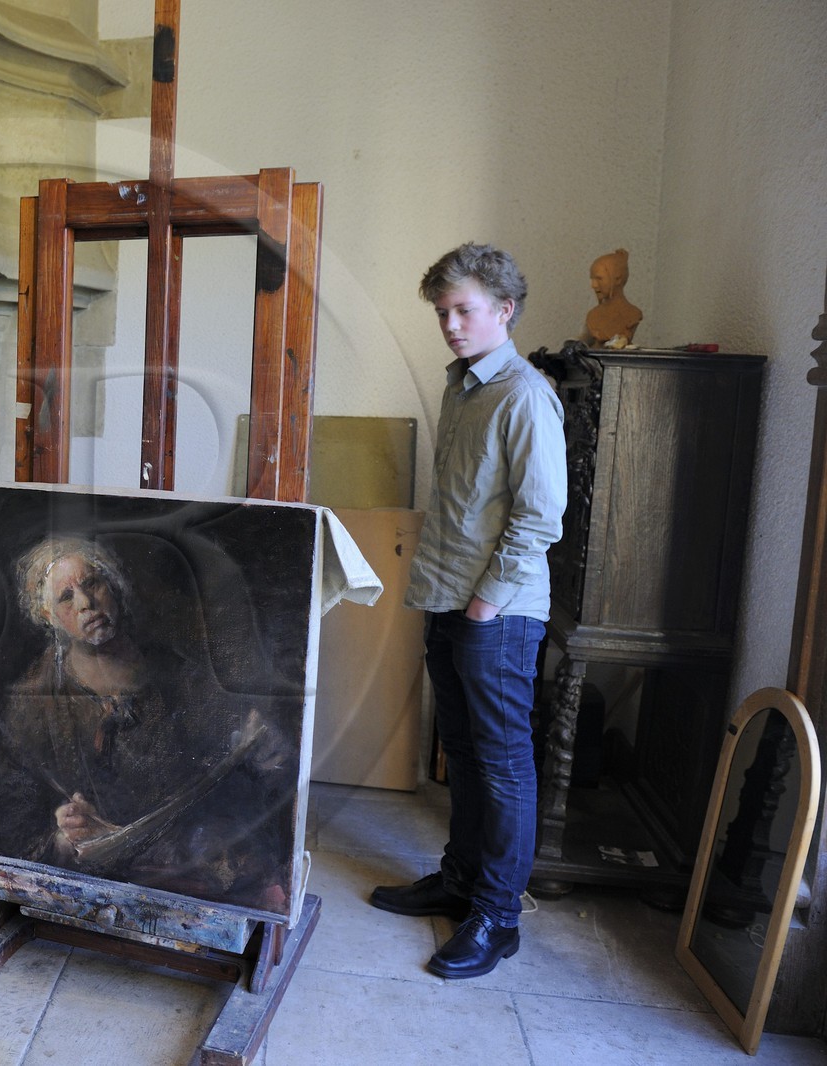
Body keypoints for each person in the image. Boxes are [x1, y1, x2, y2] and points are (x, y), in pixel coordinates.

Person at [369, 243, 566, 979]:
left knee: (504, 765)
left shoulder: (524, 395)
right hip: (448, 599)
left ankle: (498, 917)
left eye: (464, 310)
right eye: (442, 313)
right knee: (463, 753)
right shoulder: (462, 388)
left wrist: (484, 607)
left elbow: (540, 518)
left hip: (497, 615)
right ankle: (459, 881)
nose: (450, 325)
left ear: (504, 310)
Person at [0, 536, 293, 912]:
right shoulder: (30, 705)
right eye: (66, 597)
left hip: (181, 868)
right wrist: (62, 835)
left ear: (114, 586)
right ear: (48, 616)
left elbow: (233, 765)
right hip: (84, 880)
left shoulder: (179, 677)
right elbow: (9, 816)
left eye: (92, 583)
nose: (86, 603)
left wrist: (265, 751)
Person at [582, 247, 642, 345]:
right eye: (592, 279)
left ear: (618, 279)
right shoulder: (593, 315)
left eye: (599, 279)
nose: (593, 285)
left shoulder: (633, 314)